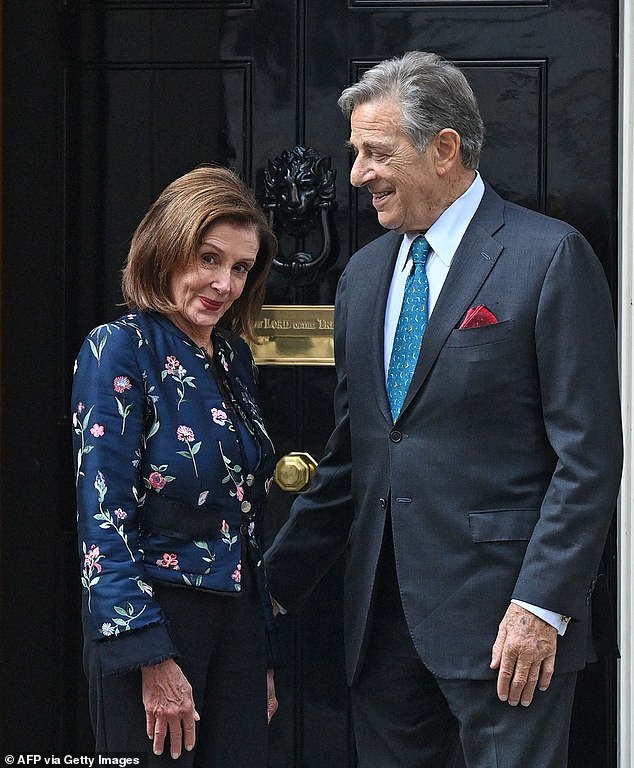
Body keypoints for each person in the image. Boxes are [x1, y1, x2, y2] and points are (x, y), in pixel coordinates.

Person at [264, 51, 623, 767]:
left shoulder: (548, 257)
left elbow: (588, 457)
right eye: (356, 153)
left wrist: (541, 605)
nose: (359, 173)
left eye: (376, 152)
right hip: (381, 626)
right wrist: (267, 591)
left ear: (445, 150)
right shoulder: (362, 277)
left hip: (507, 628)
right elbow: (353, 457)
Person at [72, 165, 279, 766]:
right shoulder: (120, 346)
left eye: (241, 268)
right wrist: (149, 656)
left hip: (236, 622)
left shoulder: (233, 358)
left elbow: (245, 515)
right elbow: (102, 515)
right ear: (167, 249)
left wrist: (258, 652)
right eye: (209, 258)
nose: (225, 283)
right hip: (156, 618)